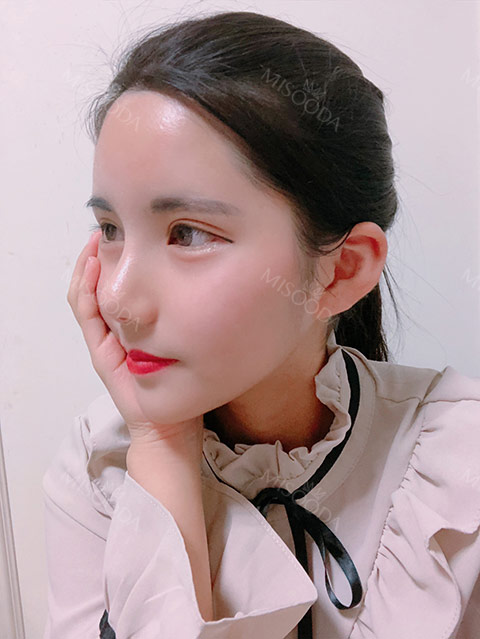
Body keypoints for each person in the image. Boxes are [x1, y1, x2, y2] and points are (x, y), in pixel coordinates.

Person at [42, 10, 480, 639]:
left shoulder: (458, 464)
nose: (116, 298)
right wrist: (161, 444)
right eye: (110, 229)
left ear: (341, 271)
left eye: (188, 234)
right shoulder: (98, 470)